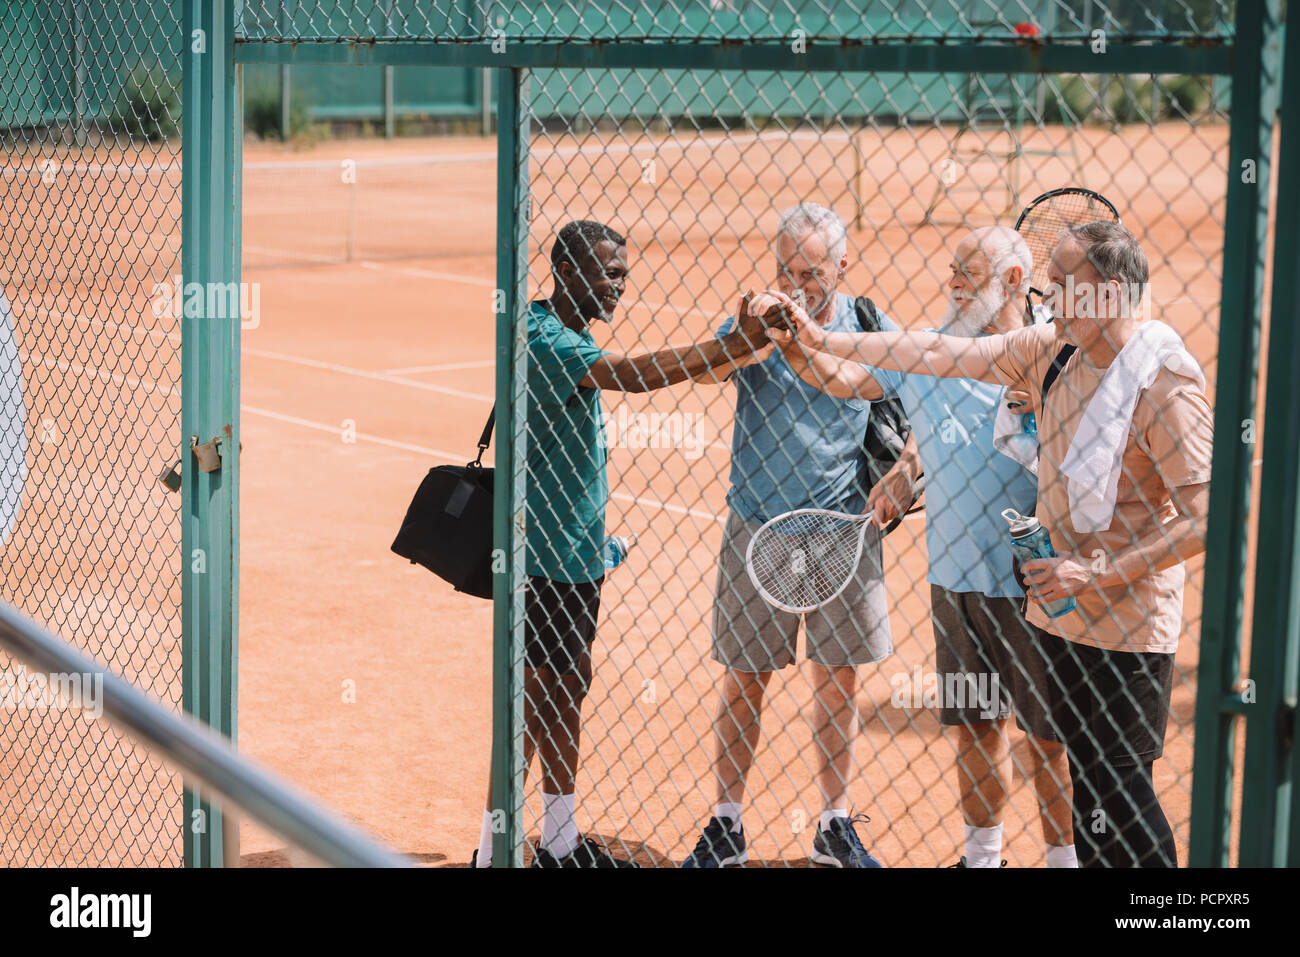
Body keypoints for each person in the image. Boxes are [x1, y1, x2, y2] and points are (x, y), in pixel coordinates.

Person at [765, 220, 1212, 867]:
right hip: (1065, 617)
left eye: (1062, 284)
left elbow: (1204, 517)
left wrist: (1097, 572)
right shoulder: (1049, 350)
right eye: (1047, 282)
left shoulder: (1161, 381)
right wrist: (817, 336)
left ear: (1108, 293)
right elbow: (934, 354)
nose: (1047, 295)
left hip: (1125, 625)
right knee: (1092, 797)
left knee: (1123, 801)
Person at [764, 225, 1075, 868]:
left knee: (1048, 737)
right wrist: (794, 340)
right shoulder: (932, 353)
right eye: (952, 266)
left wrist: (1045, 408)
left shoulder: (1056, 356)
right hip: (957, 581)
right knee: (975, 727)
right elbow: (842, 378)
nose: (954, 278)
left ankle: (1063, 860)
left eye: (969, 269)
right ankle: (982, 857)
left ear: (1014, 280)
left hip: (1036, 582)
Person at [473, 219, 778, 868]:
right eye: (609, 271)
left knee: (563, 685)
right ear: (569, 272)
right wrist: (732, 346)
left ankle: (557, 838)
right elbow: (636, 374)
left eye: (623, 270)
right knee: (534, 693)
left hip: (571, 549)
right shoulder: (547, 338)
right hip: (545, 554)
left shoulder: (557, 328)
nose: (621, 282)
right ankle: (495, 845)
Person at [679, 203, 920, 868]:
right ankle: (726, 822)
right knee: (745, 677)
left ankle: (834, 824)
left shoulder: (867, 324)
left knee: (837, 682)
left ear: (843, 265)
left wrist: (904, 469)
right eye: (787, 269)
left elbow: (918, 394)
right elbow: (704, 372)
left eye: (811, 271)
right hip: (758, 522)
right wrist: (742, 340)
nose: (798, 283)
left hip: (843, 524)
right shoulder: (758, 320)